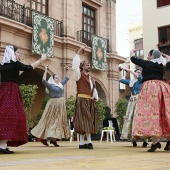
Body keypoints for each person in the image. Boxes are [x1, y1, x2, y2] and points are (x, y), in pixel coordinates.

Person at [0, 45, 47, 154]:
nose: (19, 54)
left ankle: (2, 144)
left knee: (5, 115)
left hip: (3, 90)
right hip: (11, 91)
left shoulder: (2, 65)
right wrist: (41, 59)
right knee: (13, 116)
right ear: (13, 54)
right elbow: (29, 68)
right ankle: (2, 145)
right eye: (18, 53)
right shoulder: (15, 64)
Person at [130, 49, 170, 152]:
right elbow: (168, 61)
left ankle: (155, 143)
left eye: (148, 55)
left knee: (150, 115)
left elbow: (134, 60)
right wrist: (166, 56)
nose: (147, 56)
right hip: (162, 88)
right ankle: (161, 142)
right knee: (163, 114)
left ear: (152, 56)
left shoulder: (147, 64)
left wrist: (131, 53)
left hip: (150, 88)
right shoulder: (162, 65)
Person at [31, 65, 70, 146]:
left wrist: (67, 70)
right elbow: (43, 80)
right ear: (53, 79)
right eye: (56, 78)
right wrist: (45, 70)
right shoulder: (51, 85)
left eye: (58, 78)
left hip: (60, 105)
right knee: (50, 121)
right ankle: (44, 138)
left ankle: (53, 140)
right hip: (53, 104)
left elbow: (66, 79)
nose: (58, 79)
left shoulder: (60, 84)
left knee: (58, 122)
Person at [72, 47, 98, 149]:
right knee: (84, 120)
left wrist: (95, 97)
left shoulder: (91, 78)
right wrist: (78, 53)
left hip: (89, 100)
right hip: (81, 100)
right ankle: (89, 142)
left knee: (86, 120)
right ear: (82, 67)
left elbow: (93, 89)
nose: (89, 66)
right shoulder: (79, 75)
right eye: (87, 65)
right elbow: (74, 66)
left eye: (89, 64)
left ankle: (82, 143)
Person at [119, 68, 148, 147]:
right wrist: (120, 71)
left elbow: (138, 76)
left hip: (140, 100)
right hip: (132, 101)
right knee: (131, 119)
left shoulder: (141, 80)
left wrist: (128, 70)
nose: (139, 73)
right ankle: (133, 139)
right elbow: (121, 80)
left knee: (140, 119)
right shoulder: (132, 82)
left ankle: (145, 139)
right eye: (138, 72)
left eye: (140, 72)